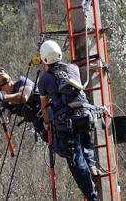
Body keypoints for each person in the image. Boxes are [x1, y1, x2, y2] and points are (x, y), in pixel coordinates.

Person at [37, 40, 101, 201]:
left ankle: (92, 197)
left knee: (76, 162)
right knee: (85, 138)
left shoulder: (44, 78)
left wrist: (46, 123)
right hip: (85, 114)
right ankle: (92, 163)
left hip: (66, 122)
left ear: (44, 59)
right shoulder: (73, 68)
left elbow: (44, 106)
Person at [0, 67, 47, 142]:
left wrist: (3, 97)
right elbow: (5, 121)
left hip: (49, 113)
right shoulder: (5, 102)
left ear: (8, 75)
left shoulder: (22, 81)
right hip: (40, 125)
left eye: (1, 71)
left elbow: (24, 97)